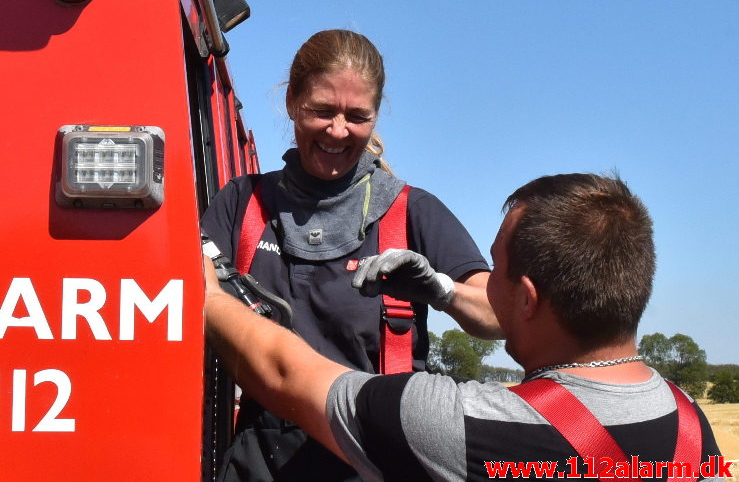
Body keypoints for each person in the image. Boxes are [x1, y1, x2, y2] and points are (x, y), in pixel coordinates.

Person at [203, 173, 724, 482]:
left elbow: (284, 371)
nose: (485, 281)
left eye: (494, 268)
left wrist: (203, 291)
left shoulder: (464, 426)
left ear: (526, 299)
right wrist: (445, 292)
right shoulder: (691, 429)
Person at [200, 29, 498, 481]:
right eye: (322, 110)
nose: (338, 130)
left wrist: (442, 289)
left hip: (376, 458)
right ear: (292, 104)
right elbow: (183, 294)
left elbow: (497, 314)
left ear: (376, 116)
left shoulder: (411, 211)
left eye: (357, 116)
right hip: (258, 459)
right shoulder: (241, 204)